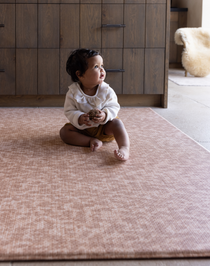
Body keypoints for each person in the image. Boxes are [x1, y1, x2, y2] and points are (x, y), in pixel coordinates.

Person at [60, 49, 130, 161]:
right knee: (64, 132)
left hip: (104, 128)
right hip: (83, 128)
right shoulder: (73, 92)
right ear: (79, 74)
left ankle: (124, 147)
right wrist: (79, 117)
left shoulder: (106, 90)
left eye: (102, 65)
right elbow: (69, 110)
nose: (102, 69)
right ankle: (90, 140)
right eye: (96, 67)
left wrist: (105, 115)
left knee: (117, 123)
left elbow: (114, 106)